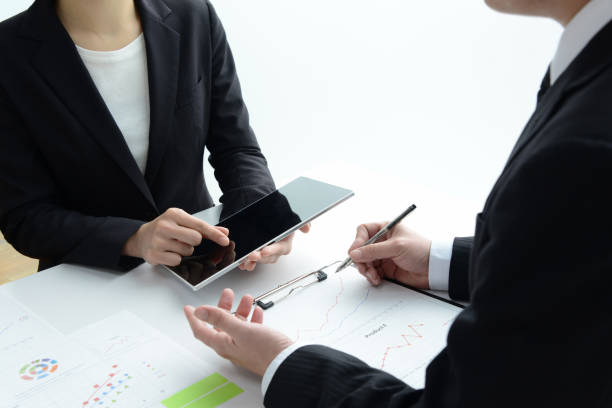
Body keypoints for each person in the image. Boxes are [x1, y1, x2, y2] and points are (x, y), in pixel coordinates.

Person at [183, 0, 612, 406]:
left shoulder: (584, 144)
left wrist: (282, 361)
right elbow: (582, 254)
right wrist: (442, 261)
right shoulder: (589, 63)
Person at [0, 0, 306, 272]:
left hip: (202, 265)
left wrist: (259, 216)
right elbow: (25, 217)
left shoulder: (195, 15)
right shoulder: (8, 53)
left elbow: (237, 148)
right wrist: (133, 238)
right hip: (89, 279)